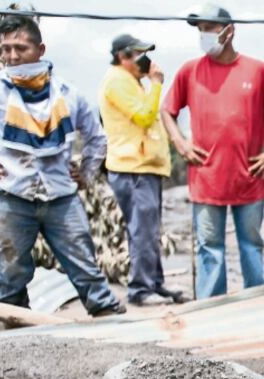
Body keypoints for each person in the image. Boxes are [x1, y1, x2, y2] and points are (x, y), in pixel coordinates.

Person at [0, 16, 124, 316]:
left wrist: (86, 172)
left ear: (40, 49)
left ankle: (107, 315)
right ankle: (15, 324)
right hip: (12, 194)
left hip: (60, 196)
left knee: (83, 262)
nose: (12, 56)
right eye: (5, 49)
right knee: (11, 269)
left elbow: (97, 137)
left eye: (21, 48)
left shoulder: (67, 93)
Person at [161, 4, 264, 299]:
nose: (204, 35)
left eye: (209, 29)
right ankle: (211, 307)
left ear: (229, 31)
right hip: (206, 179)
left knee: (251, 244)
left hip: (249, 177)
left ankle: (255, 302)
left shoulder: (257, 70)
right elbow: (166, 111)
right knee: (210, 248)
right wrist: (181, 144)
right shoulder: (189, 71)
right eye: (200, 30)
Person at [99, 33, 183, 307]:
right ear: (124, 57)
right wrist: (156, 84)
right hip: (132, 169)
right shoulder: (117, 82)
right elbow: (145, 116)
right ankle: (141, 290)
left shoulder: (131, 82)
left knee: (150, 230)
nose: (145, 60)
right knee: (143, 232)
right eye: (139, 54)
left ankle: (154, 284)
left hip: (144, 168)